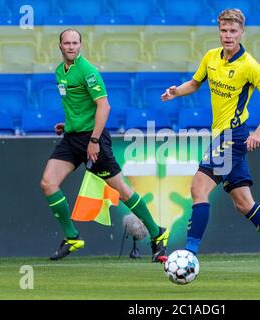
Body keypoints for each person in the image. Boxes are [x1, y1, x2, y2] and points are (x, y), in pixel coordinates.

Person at [160, 9, 260, 276]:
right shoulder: (211, 57)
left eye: (233, 31)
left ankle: (188, 256)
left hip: (233, 136)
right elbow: (195, 82)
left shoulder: (249, 65)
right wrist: (176, 91)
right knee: (244, 203)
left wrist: (258, 132)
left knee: (198, 188)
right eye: (224, 30)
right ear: (219, 31)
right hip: (220, 136)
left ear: (241, 33)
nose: (228, 35)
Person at [40, 29, 169, 262]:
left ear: (81, 45)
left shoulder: (88, 71)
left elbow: (104, 106)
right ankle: (72, 237)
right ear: (59, 46)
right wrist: (68, 124)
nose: (71, 47)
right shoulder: (60, 71)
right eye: (67, 43)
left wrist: (94, 140)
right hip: (71, 138)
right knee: (48, 183)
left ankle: (157, 233)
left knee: (122, 190)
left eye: (75, 43)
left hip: (92, 139)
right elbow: (77, 105)